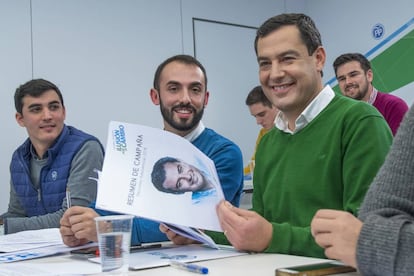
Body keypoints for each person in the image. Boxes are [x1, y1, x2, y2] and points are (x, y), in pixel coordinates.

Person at [160, 13, 393, 258]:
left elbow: (370, 239)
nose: (275, 73)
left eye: (287, 59)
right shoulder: (269, 142)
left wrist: (272, 236)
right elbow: (260, 227)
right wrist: (199, 233)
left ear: (319, 59)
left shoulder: (360, 123)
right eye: (265, 63)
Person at [60, 54, 244, 246]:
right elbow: (110, 205)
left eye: (195, 90)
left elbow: (189, 223)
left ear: (205, 98)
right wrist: (79, 224)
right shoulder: (141, 151)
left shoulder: (224, 153)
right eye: (173, 89)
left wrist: (107, 229)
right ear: (155, 96)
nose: (185, 98)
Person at [311, 104, 414, 275]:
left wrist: (372, 243)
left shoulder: (363, 119)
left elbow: (358, 235)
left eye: (353, 75)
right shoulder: (268, 140)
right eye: (342, 78)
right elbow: (371, 220)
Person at [0, 79, 104, 234]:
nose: (47, 116)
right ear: (20, 119)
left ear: (64, 112)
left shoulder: (86, 148)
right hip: (36, 251)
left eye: (54, 107)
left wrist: (6, 227)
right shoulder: (19, 157)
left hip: (81, 252)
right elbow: (18, 215)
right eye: (36, 109)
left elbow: (72, 219)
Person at [333, 52, 409, 135]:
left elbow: (404, 146)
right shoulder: (340, 118)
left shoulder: (394, 106)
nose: (348, 82)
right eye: (342, 79)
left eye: (353, 75)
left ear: (369, 76)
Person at [243, 85, 278, 176]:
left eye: (262, 114)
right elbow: (255, 164)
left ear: (276, 105)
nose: (258, 122)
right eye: (255, 116)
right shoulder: (264, 133)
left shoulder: (295, 129)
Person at [151, 156, 217, 202]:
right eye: (179, 183)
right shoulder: (201, 207)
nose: (188, 177)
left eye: (180, 169)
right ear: (178, 193)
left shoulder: (209, 158)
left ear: (181, 160)